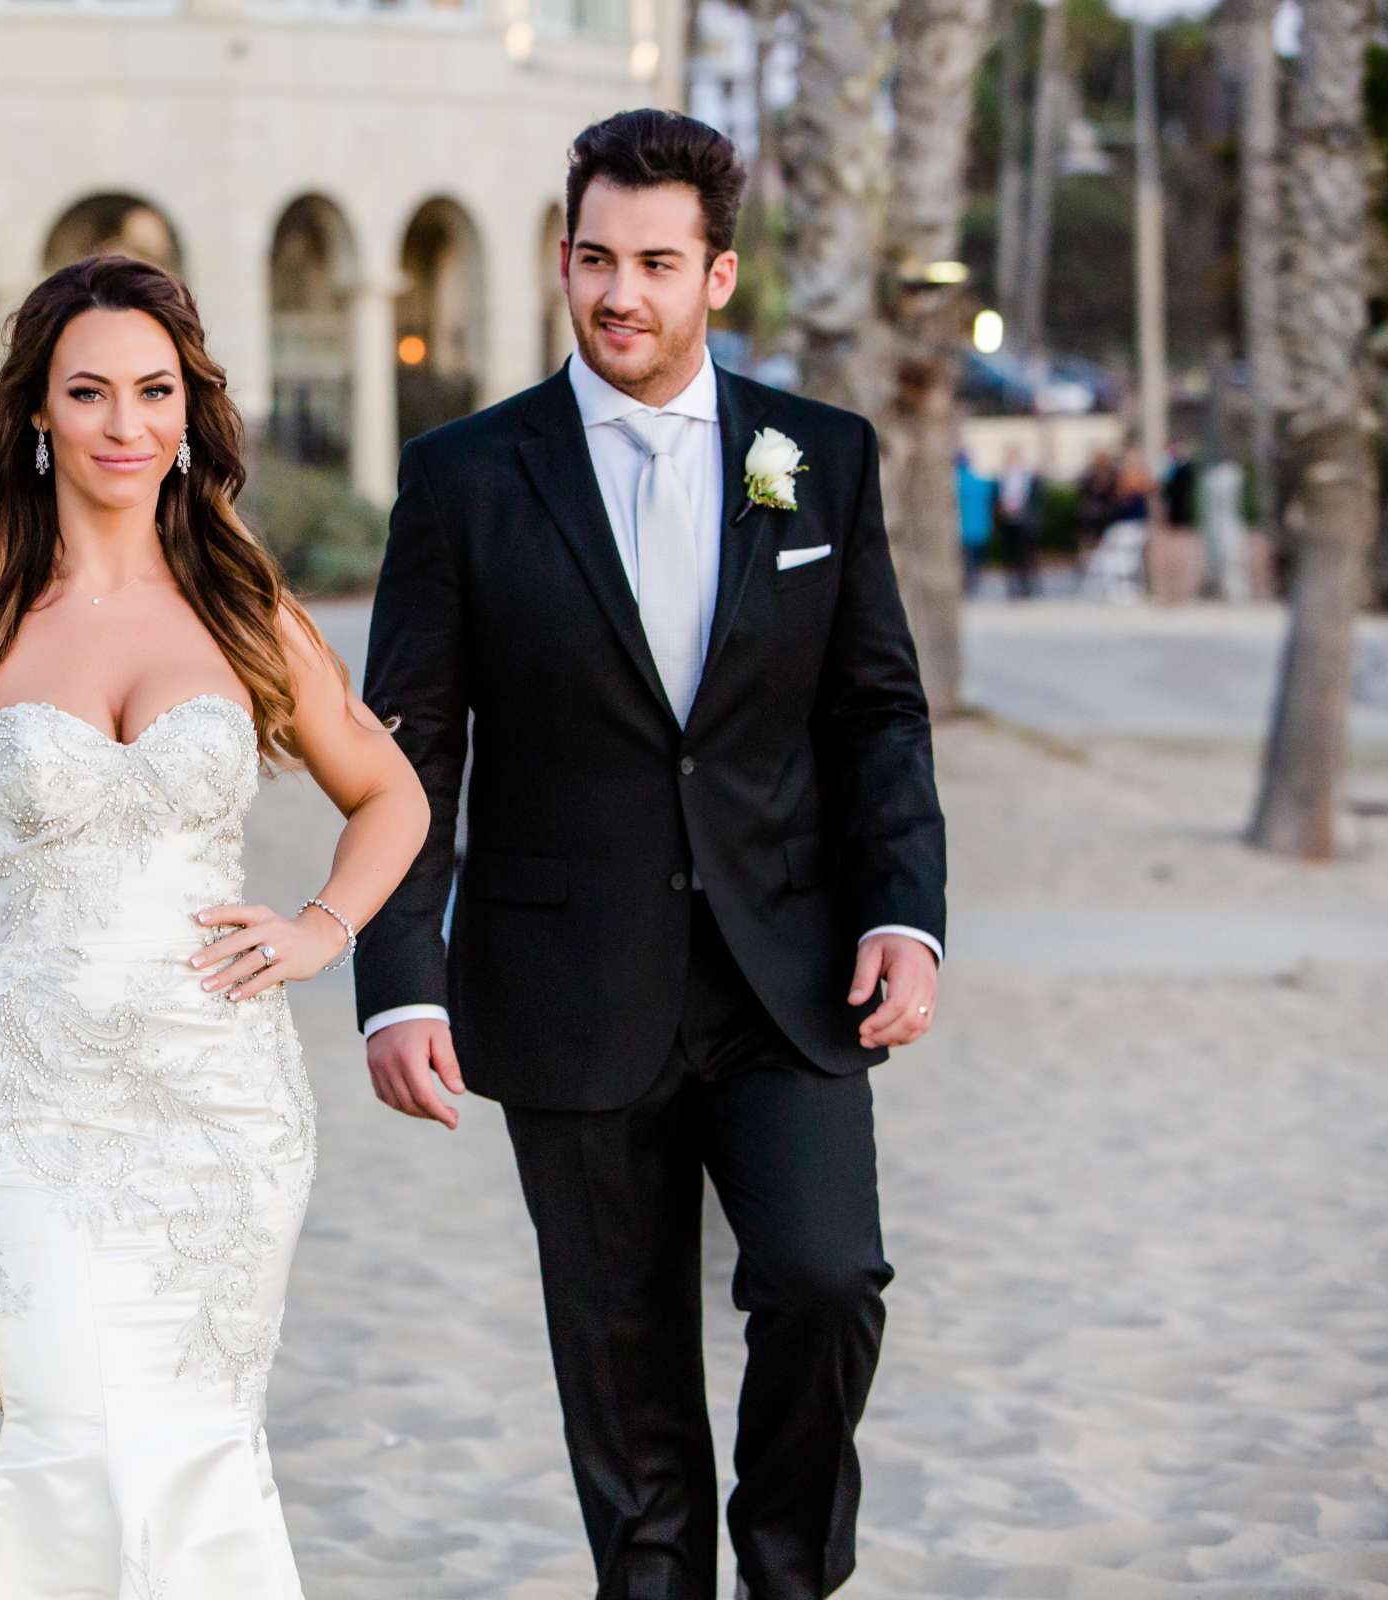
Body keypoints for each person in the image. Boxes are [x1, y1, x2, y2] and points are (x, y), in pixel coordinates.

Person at [359, 109, 946, 1600]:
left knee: (828, 1282)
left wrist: (905, 915)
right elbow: (411, 751)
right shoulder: (466, 478)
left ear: (719, 277)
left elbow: (875, 709)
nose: (622, 293)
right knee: (624, 1373)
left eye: (658, 264)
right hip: (568, 979)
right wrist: (399, 981)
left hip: (786, 971)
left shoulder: (819, 458)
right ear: (564, 260)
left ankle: (789, 1575)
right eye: (598, 259)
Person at [0, 254, 427, 1596]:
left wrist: (322, 927)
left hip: (219, 1114)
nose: (126, 424)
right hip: (24, 1109)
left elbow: (391, 793)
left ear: (190, 414)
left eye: (155, 392)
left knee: (193, 1448)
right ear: (36, 415)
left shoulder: (244, 615)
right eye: (90, 392)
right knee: (70, 1439)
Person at [995, 444, 1043, 598]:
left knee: (1026, 555)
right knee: (1010, 555)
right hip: (1008, 521)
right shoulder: (1002, 478)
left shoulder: (1029, 477)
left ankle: (1028, 586)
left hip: (1025, 521)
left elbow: (1036, 500)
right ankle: (1013, 587)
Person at [955, 448, 996, 595]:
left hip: (961, 528)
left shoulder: (954, 482)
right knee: (975, 558)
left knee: (964, 559)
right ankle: (974, 579)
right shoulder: (980, 483)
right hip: (979, 528)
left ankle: (968, 581)